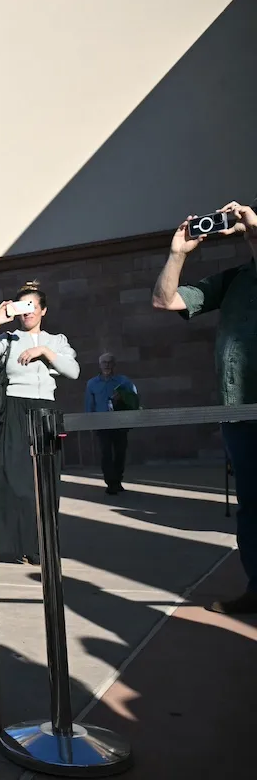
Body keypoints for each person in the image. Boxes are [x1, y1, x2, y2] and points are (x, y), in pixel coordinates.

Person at [152, 199, 257, 614]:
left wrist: (252, 227)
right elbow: (166, 300)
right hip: (240, 410)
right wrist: (178, 253)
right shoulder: (233, 281)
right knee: (251, 505)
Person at [0, 281, 80, 564]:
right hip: (14, 408)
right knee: (11, 478)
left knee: (45, 480)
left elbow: (73, 371)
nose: (28, 312)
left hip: (45, 410)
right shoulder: (9, 339)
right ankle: (6, 544)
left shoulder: (56, 340)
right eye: (22, 307)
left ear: (43, 310)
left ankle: (39, 547)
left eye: (33, 306)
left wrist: (44, 352)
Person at [84, 353, 138, 495]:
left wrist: (123, 397)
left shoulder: (123, 381)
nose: (107, 365)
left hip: (120, 423)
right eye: (104, 362)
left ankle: (118, 480)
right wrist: (89, 424)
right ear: (100, 365)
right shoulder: (92, 383)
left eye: (109, 362)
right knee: (105, 453)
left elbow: (134, 399)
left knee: (120, 453)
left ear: (114, 364)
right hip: (102, 424)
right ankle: (110, 482)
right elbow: (90, 405)